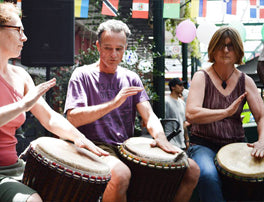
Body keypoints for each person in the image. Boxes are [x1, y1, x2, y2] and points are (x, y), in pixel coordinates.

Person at [64, 19, 200, 202]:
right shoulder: (82, 75)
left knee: (191, 169)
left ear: (125, 48)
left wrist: (160, 137)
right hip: (93, 147)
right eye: (107, 48)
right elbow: (72, 118)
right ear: (97, 46)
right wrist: (113, 103)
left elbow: (149, 114)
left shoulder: (131, 78)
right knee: (120, 175)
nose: (113, 54)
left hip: (126, 147)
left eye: (118, 49)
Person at [0, 2, 108, 202]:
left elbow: (49, 118)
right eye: (18, 30)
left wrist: (79, 139)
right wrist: (23, 105)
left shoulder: (21, 76)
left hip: (15, 167)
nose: (24, 37)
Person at [185, 26, 264, 202]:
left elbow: (261, 116)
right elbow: (191, 113)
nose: (225, 50)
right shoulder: (201, 76)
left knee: (252, 180)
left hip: (236, 145)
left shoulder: (246, 81)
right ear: (213, 49)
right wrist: (226, 112)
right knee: (207, 175)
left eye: (230, 46)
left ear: (238, 51)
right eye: (221, 45)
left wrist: (262, 141)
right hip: (203, 145)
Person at [165, 78, 190, 150]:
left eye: (183, 85)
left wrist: (187, 139)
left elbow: (183, 123)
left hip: (181, 142)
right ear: (173, 87)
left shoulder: (182, 103)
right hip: (169, 140)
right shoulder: (166, 101)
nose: (182, 87)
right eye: (180, 85)